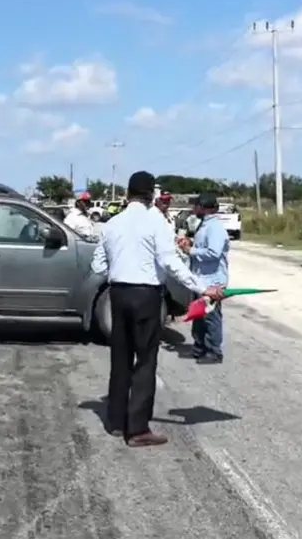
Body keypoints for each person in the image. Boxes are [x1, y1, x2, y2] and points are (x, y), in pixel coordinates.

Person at [91, 171, 224, 447]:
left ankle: (116, 422)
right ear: (151, 195)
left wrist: (122, 264)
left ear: (128, 194)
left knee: (121, 358)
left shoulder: (112, 224)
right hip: (146, 296)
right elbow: (171, 263)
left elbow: (98, 267)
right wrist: (202, 288)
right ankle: (137, 429)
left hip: (118, 294)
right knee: (146, 361)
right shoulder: (156, 222)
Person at [179, 194, 230, 365]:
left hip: (212, 281)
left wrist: (191, 251)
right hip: (201, 280)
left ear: (204, 207)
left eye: (196, 206)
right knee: (199, 314)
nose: (194, 210)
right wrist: (189, 243)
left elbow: (213, 253)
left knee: (211, 317)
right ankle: (200, 347)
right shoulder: (205, 225)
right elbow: (203, 246)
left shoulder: (215, 227)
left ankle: (214, 351)